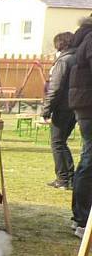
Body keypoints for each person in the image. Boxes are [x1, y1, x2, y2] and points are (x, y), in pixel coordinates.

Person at [42, 32, 77, 190]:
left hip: (63, 107)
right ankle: (69, 177)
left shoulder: (63, 61)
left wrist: (46, 110)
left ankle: (63, 179)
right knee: (62, 142)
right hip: (75, 105)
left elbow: (55, 88)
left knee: (57, 143)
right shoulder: (78, 58)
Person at [68, 16, 92, 237]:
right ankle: (82, 219)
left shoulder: (85, 37)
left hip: (85, 104)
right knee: (89, 161)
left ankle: (82, 218)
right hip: (88, 105)